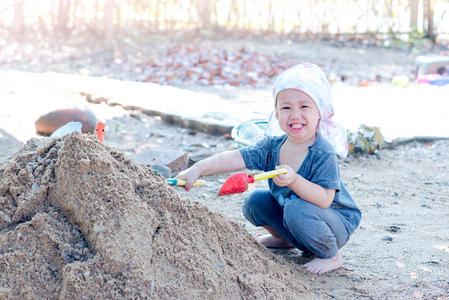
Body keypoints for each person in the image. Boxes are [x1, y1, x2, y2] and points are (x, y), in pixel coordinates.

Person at [177, 63, 362, 274]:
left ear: (320, 111)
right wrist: (198, 168)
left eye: (304, 107)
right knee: (254, 201)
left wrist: (294, 181)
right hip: (296, 217)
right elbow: (236, 157)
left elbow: (325, 199)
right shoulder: (272, 147)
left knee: (296, 208)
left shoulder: (322, 152)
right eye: (286, 107)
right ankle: (283, 238)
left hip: (332, 222)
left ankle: (330, 255)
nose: (295, 115)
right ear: (276, 113)